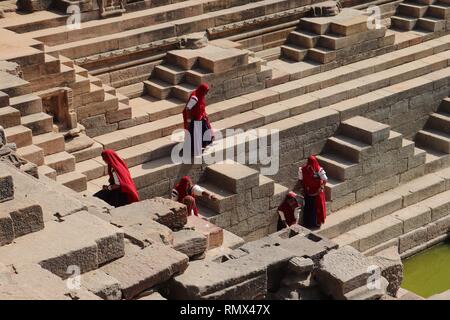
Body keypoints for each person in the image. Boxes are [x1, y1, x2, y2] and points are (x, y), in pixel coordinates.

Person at [183, 83, 214, 156]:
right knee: (195, 135)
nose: (206, 93)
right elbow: (188, 109)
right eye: (206, 91)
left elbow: (201, 107)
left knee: (205, 131)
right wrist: (189, 120)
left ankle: (202, 145)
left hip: (200, 117)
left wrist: (204, 114)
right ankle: (193, 151)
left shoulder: (201, 95)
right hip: (194, 119)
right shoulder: (195, 98)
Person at [298, 155, 327, 228]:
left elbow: (325, 179)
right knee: (308, 207)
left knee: (317, 208)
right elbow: (300, 180)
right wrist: (302, 188)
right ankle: (308, 224)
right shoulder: (302, 170)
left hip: (317, 193)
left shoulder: (319, 170)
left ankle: (316, 223)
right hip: (308, 192)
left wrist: (321, 187)